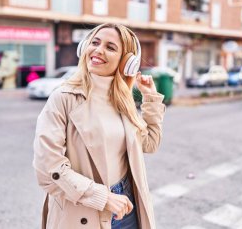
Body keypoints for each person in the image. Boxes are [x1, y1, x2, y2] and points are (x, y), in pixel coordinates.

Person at [33, 23, 166, 229]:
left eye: (110, 47)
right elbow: (47, 168)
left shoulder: (123, 100)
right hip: (82, 209)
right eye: (94, 43)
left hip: (126, 207)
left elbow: (150, 143)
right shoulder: (63, 98)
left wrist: (150, 98)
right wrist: (102, 197)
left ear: (127, 62)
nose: (98, 50)